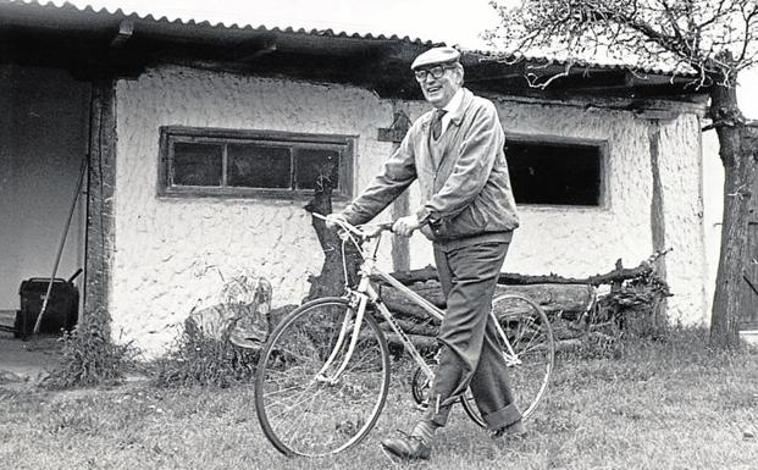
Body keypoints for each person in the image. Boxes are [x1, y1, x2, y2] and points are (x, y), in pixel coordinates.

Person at [326, 46, 523, 460]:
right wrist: (350, 215)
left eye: (438, 73)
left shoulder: (481, 114)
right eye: (422, 76)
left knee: (456, 331)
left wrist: (421, 215)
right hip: (447, 239)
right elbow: (391, 177)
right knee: (473, 329)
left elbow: (469, 178)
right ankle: (508, 421)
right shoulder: (422, 128)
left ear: (458, 74)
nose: (430, 81)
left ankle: (424, 431)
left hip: (485, 236)